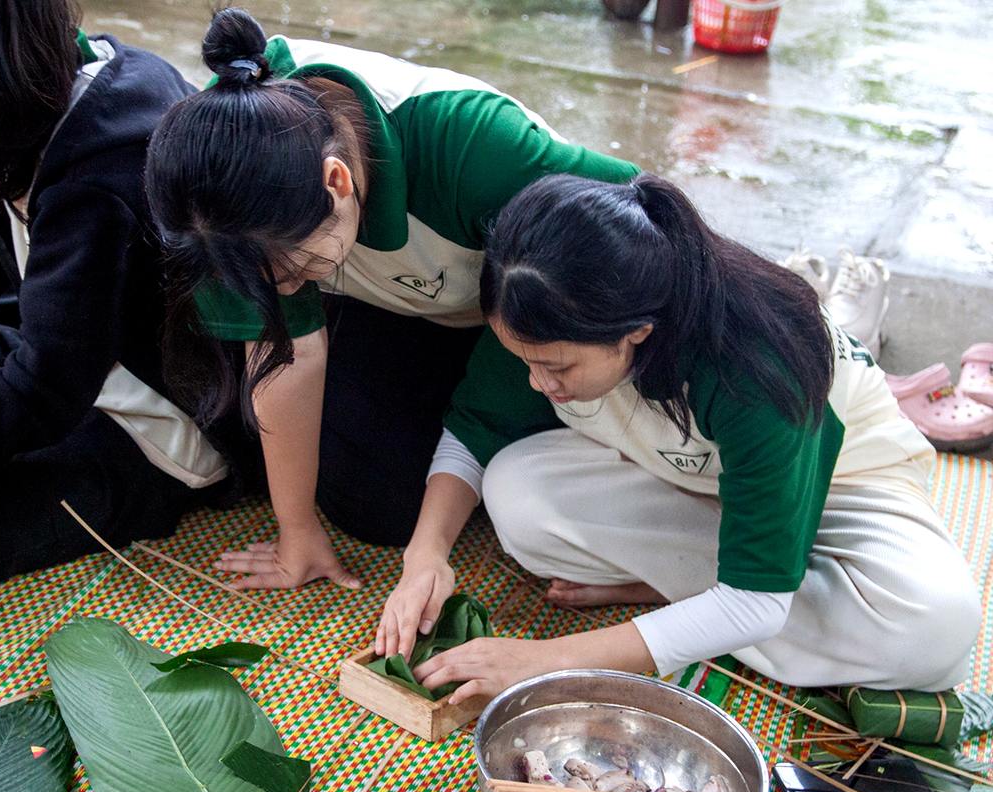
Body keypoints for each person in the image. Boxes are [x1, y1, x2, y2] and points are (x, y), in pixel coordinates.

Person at [403, 173, 981, 703]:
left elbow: (756, 604)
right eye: (524, 360)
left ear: (636, 331)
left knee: (935, 631)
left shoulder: (758, 366)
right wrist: (424, 554)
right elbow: (475, 430)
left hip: (842, 486)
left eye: (557, 368)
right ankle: (718, 596)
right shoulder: (537, 303)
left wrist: (548, 660)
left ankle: (704, 593)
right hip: (687, 477)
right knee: (517, 497)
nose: (537, 382)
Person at [143, 8, 638, 592]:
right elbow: (287, 353)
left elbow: (636, 210)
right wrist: (295, 531)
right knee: (373, 504)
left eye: (297, 269)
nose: (282, 291)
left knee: (476, 452)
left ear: (337, 182)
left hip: (514, 320)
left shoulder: (472, 144)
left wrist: (490, 407)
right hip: (400, 305)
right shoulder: (220, 177)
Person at [0, 0, 262, 593]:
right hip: (87, 351)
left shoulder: (96, 181)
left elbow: (46, 387)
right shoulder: (93, 69)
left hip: (165, 427)